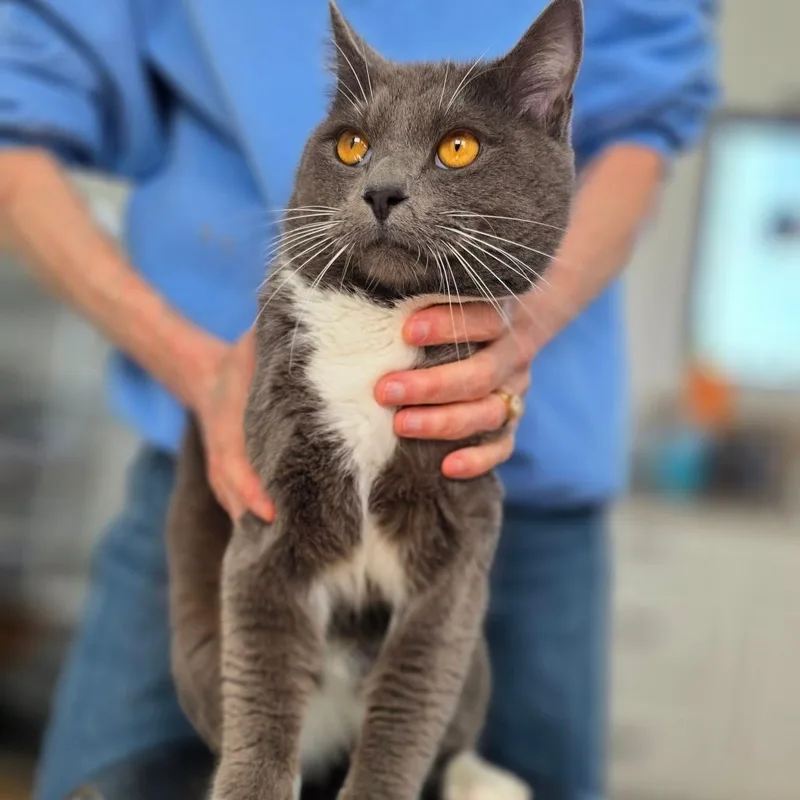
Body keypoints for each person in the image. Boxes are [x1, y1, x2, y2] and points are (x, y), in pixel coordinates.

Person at [0, 2, 718, 799]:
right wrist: (193, 362)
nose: (383, 183)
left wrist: (522, 325)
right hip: (218, 460)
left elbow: (643, 126)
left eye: (454, 148)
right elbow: (13, 121)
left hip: (525, 477)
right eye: (354, 144)